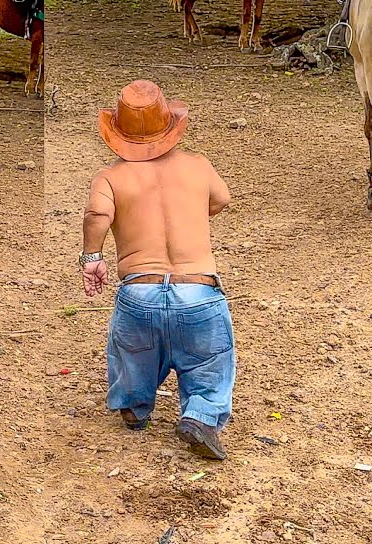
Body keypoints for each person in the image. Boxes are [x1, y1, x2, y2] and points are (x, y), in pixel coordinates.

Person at [79, 79, 235, 460]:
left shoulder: (110, 177)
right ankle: (201, 415)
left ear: (117, 133)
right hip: (199, 290)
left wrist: (92, 257)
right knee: (210, 359)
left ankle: (134, 405)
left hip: (139, 289)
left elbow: (97, 214)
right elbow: (222, 199)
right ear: (170, 126)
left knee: (132, 353)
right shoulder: (198, 165)